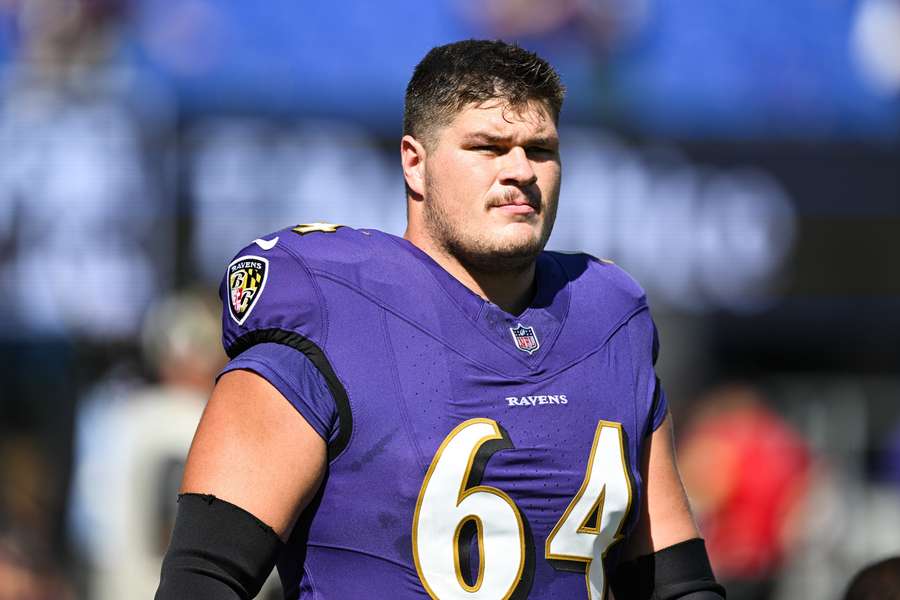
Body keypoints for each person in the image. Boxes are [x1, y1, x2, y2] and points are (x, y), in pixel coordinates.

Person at [156, 39, 725, 600]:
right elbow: (203, 581)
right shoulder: (328, 312)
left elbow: (677, 584)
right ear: (415, 163)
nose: (520, 170)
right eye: (487, 147)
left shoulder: (609, 319)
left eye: (541, 149)